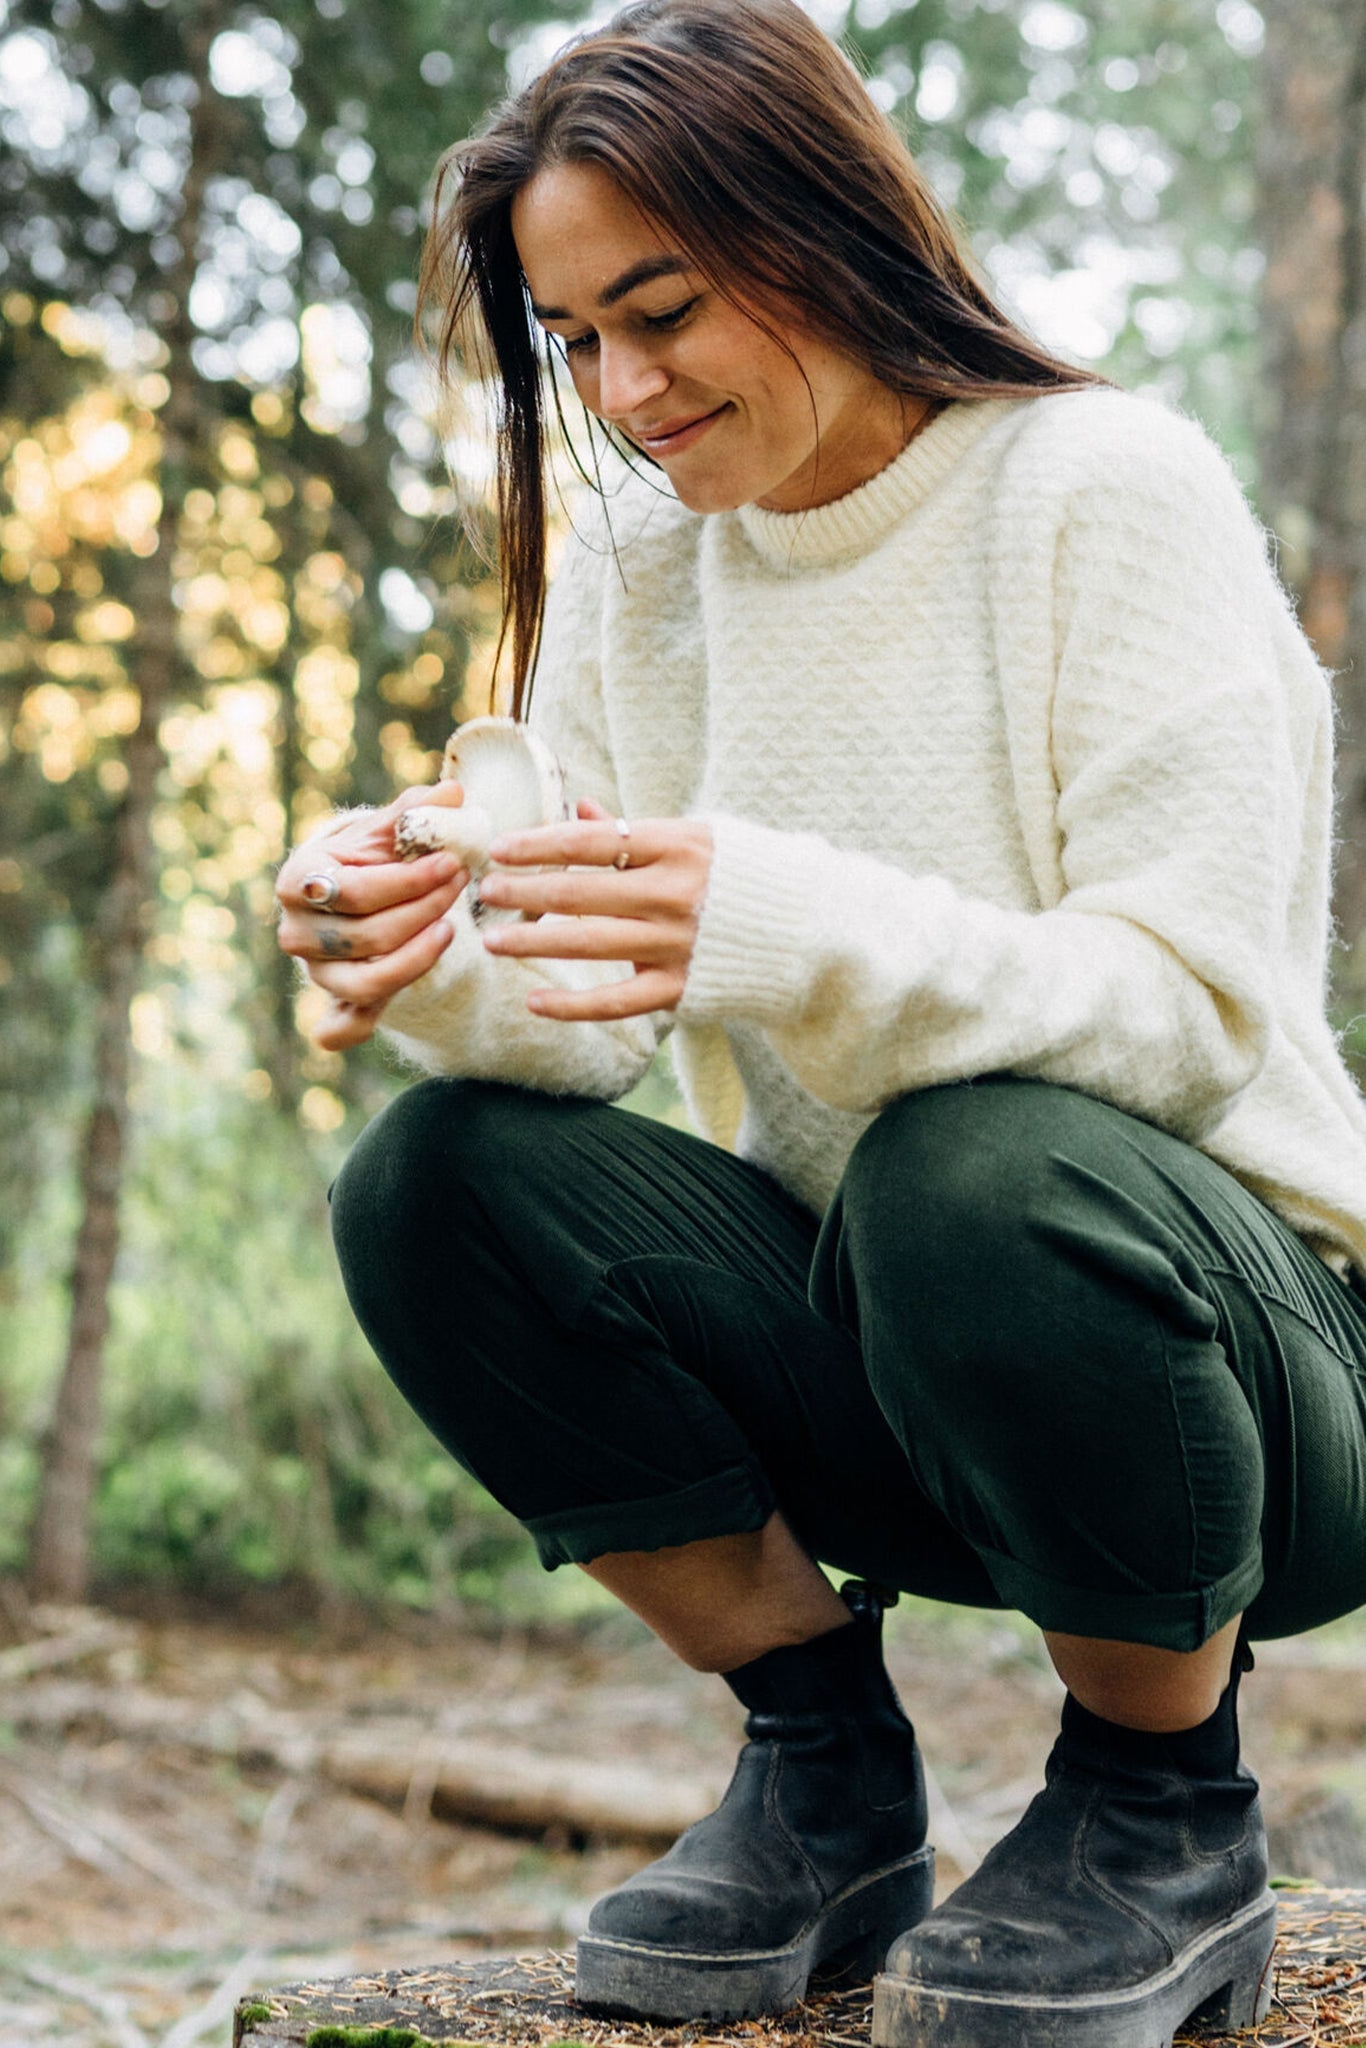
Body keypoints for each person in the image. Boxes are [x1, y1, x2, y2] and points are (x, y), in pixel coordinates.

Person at [273, 2, 1366, 2042]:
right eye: (574, 339)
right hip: (889, 1354)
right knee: (432, 1179)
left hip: (1255, 1382)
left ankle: (1159, 1803)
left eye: (662, 310)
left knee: (974, 1156)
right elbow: (589, 1019)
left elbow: (1192, 1011)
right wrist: (420, 949)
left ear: (821, 228)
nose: (625, 390)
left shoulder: (1103, 488)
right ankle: (822, 1771)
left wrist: (783, 924)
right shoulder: (640, 580)